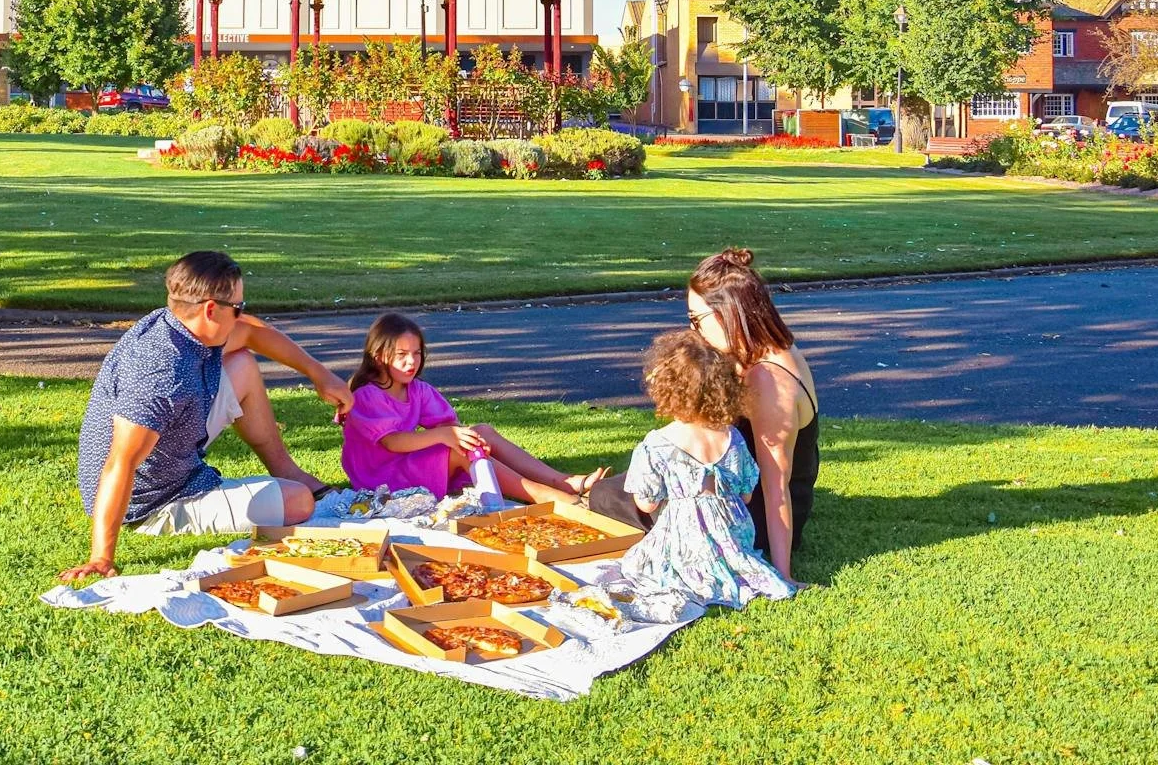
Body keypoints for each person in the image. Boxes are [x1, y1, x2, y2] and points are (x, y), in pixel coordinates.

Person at [59, 249, 355, 584]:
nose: (243, 314)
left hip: (172, 455)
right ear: (211, 310)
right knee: (298, 502)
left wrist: (319, 374)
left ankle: (285, 468)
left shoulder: (180, 328)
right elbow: (120, 462)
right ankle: (281, 484)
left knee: (242, 364)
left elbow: (254, 333)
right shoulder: (162, 373)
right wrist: (101, 557)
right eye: (239, 307)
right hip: (152, 502)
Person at [590, 247, 819, 580]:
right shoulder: (769, 348)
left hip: (751, 515)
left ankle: (575, 493)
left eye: (697, 320)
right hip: (737, 490)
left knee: (609, 496)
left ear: (729, 313)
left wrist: (783, 572)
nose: (694, 330)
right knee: (632, 484)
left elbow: (776, 486)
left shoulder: (769, 380)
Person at [341, 312, 607, 504]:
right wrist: (447, 437)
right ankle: (543, 495)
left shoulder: (417, 389)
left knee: (481, 432)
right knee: (454, 450)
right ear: (378, 357)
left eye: (417, 353)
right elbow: (393, 442)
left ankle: (561, 481)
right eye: (401, 355)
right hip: (381, 479)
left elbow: (447, 426)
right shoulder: (367, 395)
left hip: (407, 466)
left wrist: (469, 439)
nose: (411, 361)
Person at [614, 330, 797, 608]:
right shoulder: (733, 438)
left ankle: (695, 575)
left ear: (664, 390)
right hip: (734, 536)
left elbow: (647, 503)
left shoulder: (657, 444)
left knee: (641, 565)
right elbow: (746, 495)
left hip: (682, 538)